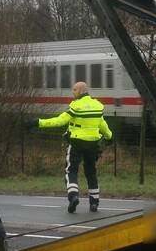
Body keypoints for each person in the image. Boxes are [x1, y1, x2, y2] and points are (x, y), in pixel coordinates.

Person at [33, 81, 112, 213]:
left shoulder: (76, 106)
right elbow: (102, 125)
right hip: (92, 144)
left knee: (71, 170)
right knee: (91, 173)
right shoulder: (97, 106)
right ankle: (94, 203)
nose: (72, 92)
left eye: (74, 89)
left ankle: (73, 196)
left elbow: (60, 121)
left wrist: (38, 122)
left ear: (81, 90)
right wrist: (110, 137)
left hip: (76, 143)